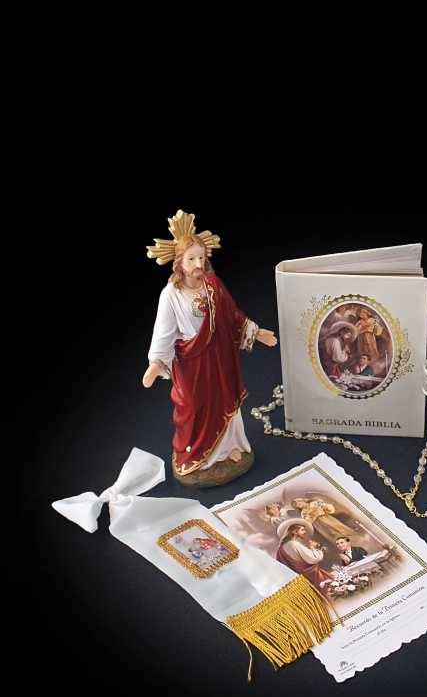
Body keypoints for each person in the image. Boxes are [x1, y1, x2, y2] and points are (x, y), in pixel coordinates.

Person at [143, 210, 278, 488]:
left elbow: (232, 315)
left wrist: (256, 332)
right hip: (190, 364)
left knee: (225, 402)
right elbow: (163, 331)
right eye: (191, 259)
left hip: (219, 358)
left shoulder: (213, 286)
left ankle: (228, 451)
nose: (198, 264)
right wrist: (156, 363)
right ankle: (198, 459)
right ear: (179, 262)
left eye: (201, 258)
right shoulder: (171, 294)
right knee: (193, 409)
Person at [275, 520, 334, 585]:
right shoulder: (294, 544)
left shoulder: (281, 546)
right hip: (309, 574)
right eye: (302, 530)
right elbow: (313, 559)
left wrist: (318, 550)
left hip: (298, 576)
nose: (305, 532)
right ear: (295, 532)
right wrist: (313, 548)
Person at [290, 497, 358, 543]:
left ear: (302, 501)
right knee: (330, 532)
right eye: (298, 506)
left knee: (338, 525)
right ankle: (342, 541)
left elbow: (326, 506)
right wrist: (309, 513)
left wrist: (326, 508)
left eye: (299, 504)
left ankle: (353, 533)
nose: (300, 506)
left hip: (326, 517)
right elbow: (306, 522)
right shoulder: (303, 512)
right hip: (318, 522)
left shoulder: (314, 503)